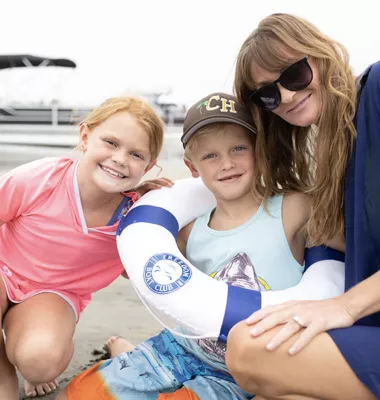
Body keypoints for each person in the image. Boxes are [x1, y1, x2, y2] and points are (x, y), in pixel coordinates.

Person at [57, 92, 320, 400]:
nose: (227, 163)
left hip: (245, 369)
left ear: (260, 151)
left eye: (239, 148)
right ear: (192, 167)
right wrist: (133, 205)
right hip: (181, 349)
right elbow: (140, 273)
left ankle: (124, 350)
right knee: (75, 395)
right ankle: (126, 352)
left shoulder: (293, 209)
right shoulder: (188, 231)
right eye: (210, 155)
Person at [225, 13, 380, 400]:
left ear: (320, 56)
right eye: (267, 94)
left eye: (294, 75)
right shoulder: (332, 155)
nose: (285, 96)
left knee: (248, 347)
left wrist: (344, 307)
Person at [0, 95, 173, 399]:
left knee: (40, 362)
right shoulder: (40, 179)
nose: (120, 159)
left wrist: (161, 215)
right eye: (110, 143)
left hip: (51, 295)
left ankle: (24, 343)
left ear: (149, 166)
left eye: (135, 154)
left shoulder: (134, 218)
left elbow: (141, 274)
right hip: (3, 268)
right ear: (84, 137)